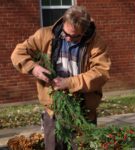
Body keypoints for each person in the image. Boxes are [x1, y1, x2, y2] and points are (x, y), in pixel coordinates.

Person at [11, 5, 111, 150]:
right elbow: (18, 54)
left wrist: (69, 83)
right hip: (53, 110)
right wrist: (34, 68)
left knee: (83, 146)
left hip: (83, 111)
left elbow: (101, 73)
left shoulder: (97, 43)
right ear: (64, 22)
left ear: (85, 32)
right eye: (66, 34)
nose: (69, 39)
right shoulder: (45, 35)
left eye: (75, 36)